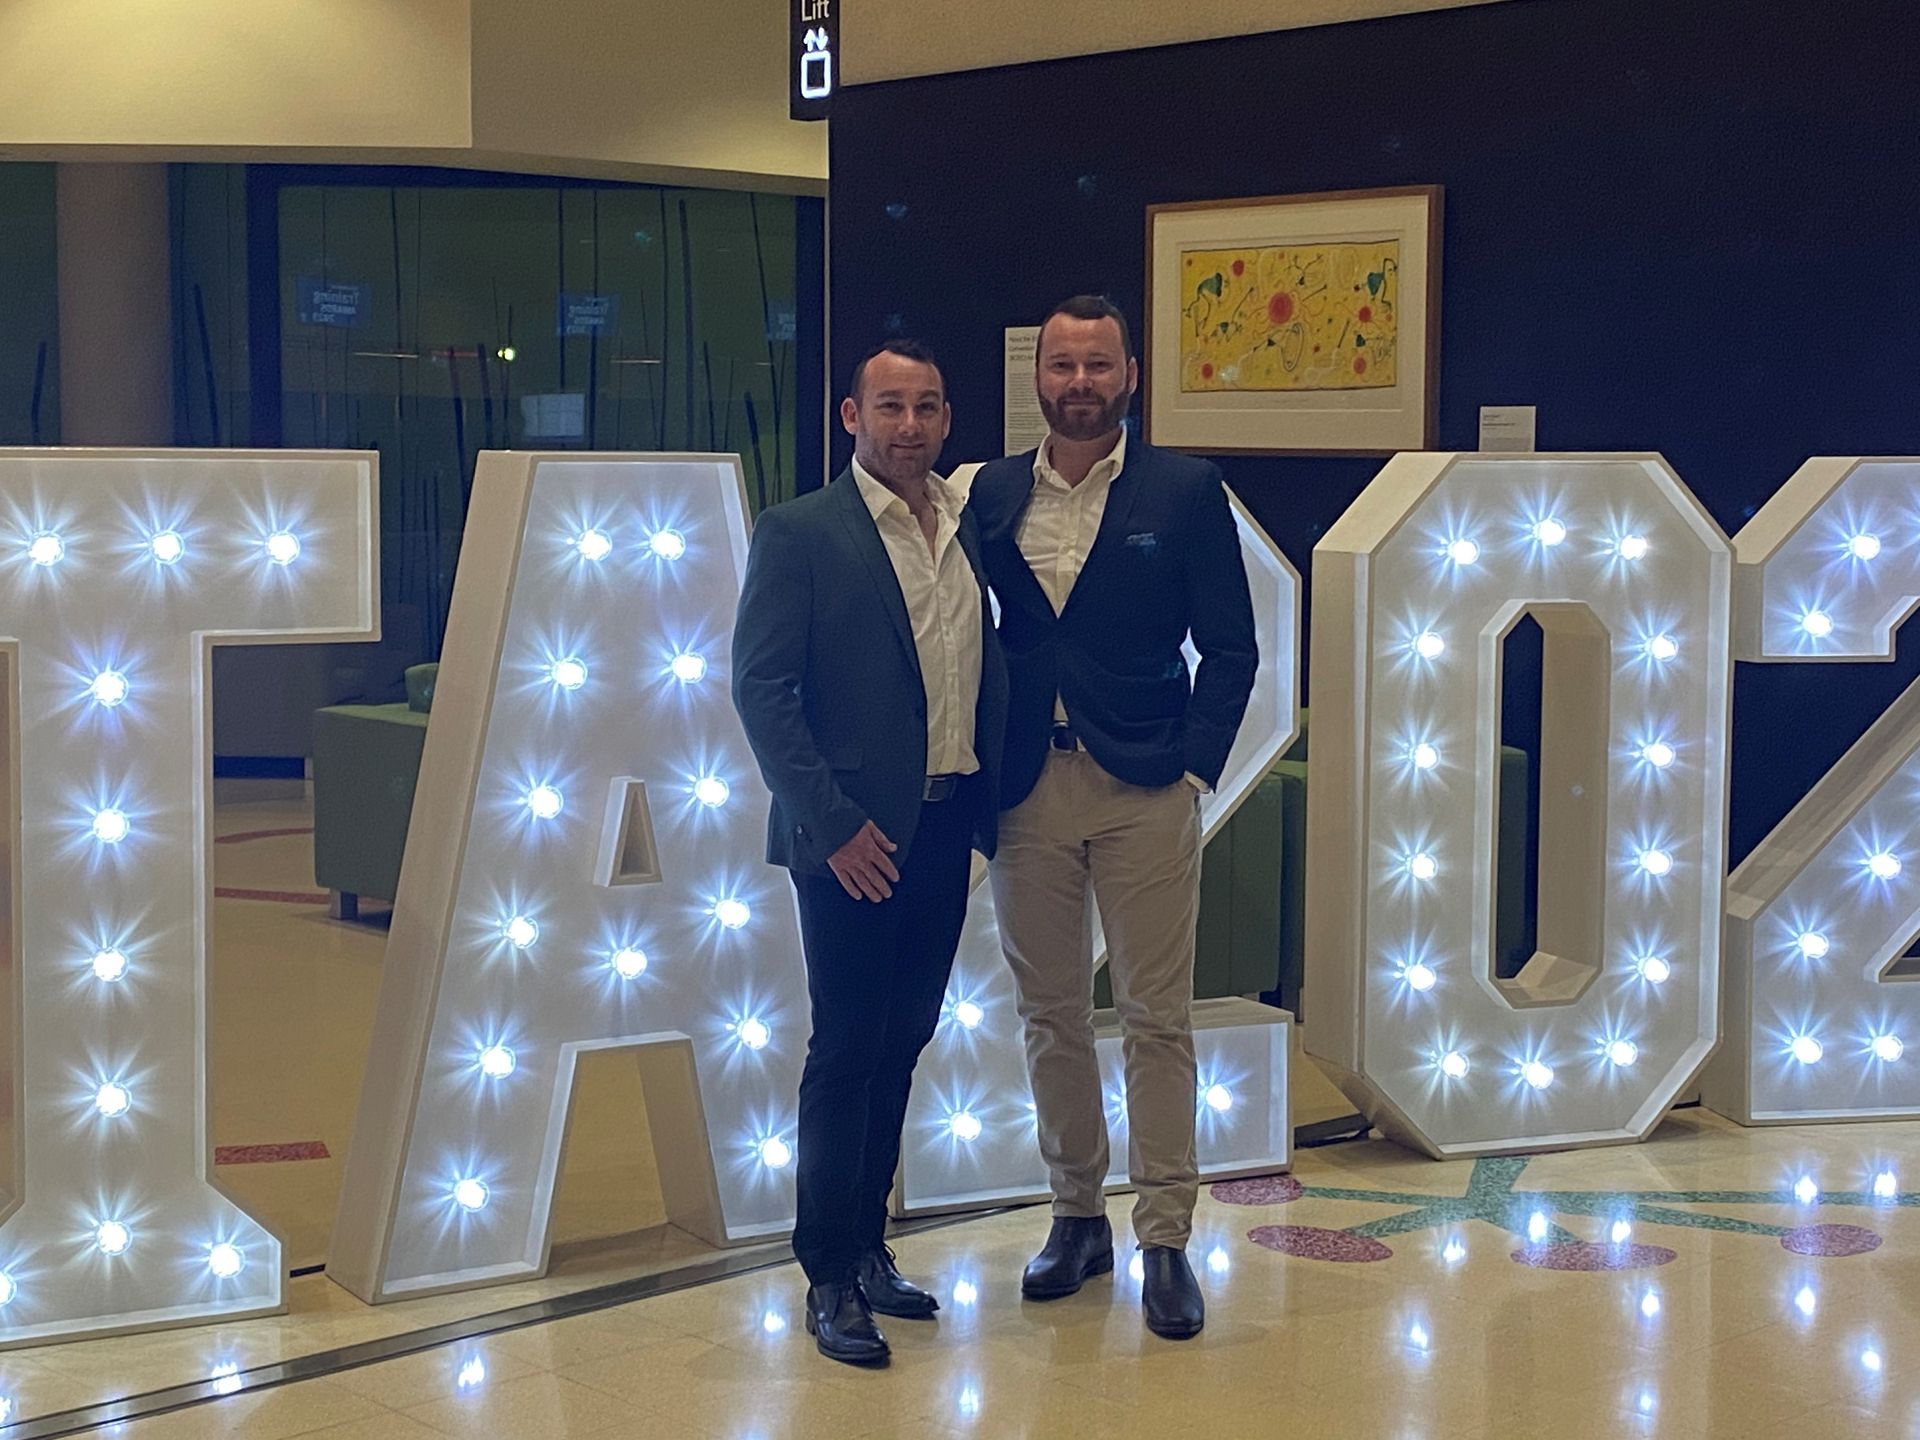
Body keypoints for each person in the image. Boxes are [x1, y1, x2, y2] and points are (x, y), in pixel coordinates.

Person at [969, 295, 1256, 1340]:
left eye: (1097, 366)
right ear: (1037, 377)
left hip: (1142, 785)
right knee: (1049, 1013)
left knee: (1154, 1015)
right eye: (1061, 366)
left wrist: (1193, 769)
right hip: (1024, 786)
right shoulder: (991, 493)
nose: (1078, 384)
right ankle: (1077, 1213)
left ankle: (1167, 1236)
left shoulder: (1185, 490)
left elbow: (1233, 647)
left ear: (1130, 375)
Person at [732, 339, 1006, 1366]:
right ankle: (828, 1273)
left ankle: (871, 1246)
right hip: (853, 836)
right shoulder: (803, 533)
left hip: (946, 823)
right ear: (851, 417)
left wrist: (983, 816)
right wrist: (832, 825)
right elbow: (762, 690)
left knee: (906, 1037)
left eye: (928, 406)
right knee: (846, 1048)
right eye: (889, 405)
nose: (911, 424)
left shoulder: (968, 521)